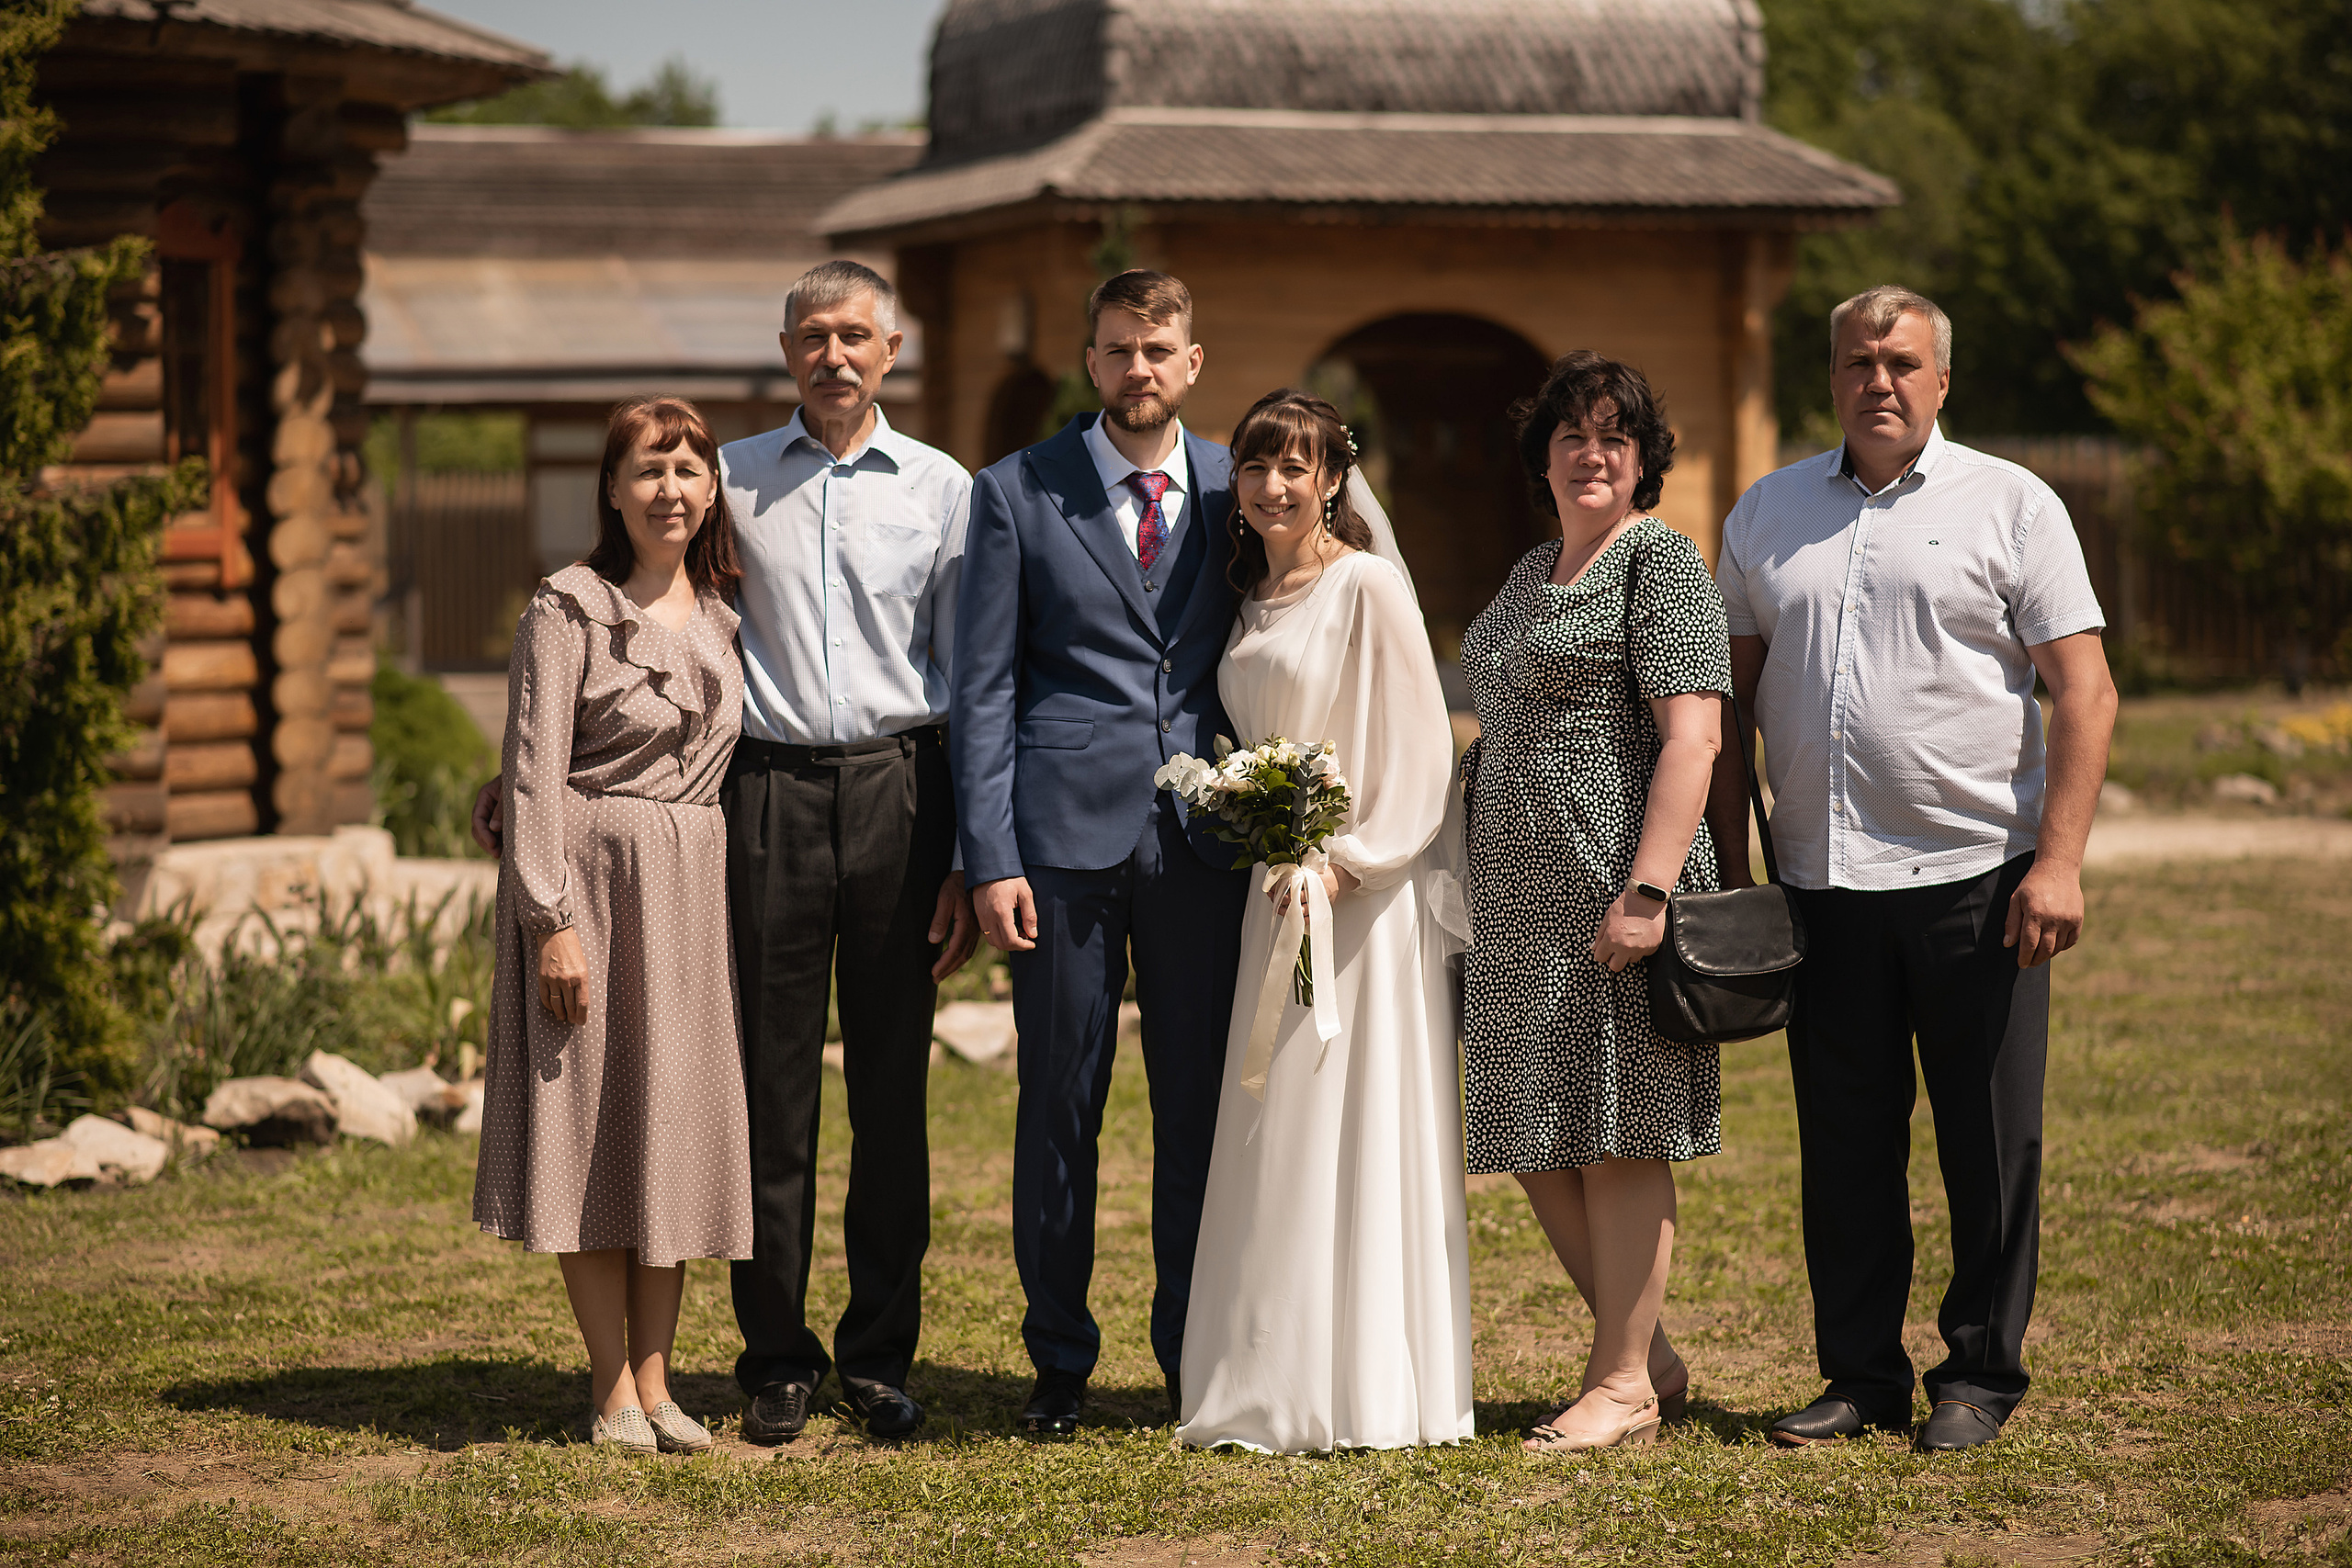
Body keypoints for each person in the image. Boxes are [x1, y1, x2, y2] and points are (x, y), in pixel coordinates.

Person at [474, 261, 977, 1446]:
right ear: (787, 348)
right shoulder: (730, 479)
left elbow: (978, 678)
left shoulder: (947, 489)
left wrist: (971, 848)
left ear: (891, 349)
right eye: (813, 337)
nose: (835, 356)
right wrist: (514, 776)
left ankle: (879, 1355)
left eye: (856, 336)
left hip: (905, 794)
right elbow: (614, 639)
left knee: (894, 1094)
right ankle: (775, 1359)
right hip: (763, 802)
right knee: (767, 1090)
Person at [1708, 286, 2116, 1454]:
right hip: (1819, 884)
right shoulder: (1766, 512)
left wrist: (2061, 863)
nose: (1875, 382)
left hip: (1977, 879)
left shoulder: (2012, 505)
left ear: (1940, 380)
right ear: (1828, 377)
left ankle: (1979, 1375)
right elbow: (1731, 705)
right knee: (1843, 1146)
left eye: (1898, 362)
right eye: (1854, 362)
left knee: (1986, 1144)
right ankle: (1860, 1378)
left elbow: (2082, 689)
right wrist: (1739, 873)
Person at [952, 269, 1247, 1437]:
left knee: (1197, 1112)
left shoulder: (1246, 482)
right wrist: (989, 855)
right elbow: (980, 687)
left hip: (1209, 845)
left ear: (1191, 361)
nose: (1139, 369)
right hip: (1058, 849)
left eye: (1158, 348)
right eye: (1117, 350)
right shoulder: (1016, 492)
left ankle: (1190, 1353)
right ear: (1091, 363)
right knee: (1058, 1105)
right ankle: (1058, 1362)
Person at [1175, 390, 1475, 1454]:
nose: (1273, 486)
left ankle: (1365, 1384)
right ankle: (1270, 1371)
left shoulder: (1368, 586)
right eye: (1256, 468)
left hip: (1359, 903)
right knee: (1275, 1121)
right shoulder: (1248, 594)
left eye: (1295, 467)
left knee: (1351, 1117)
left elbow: (1422, 750)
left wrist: (1346, 863)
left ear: (1335, 478)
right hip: (1276, 894)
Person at [1458, 352, 1730, 1454]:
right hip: (1517, 903)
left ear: (1643, 460)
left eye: (1614, 436)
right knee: (1530, 1129)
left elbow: (1693, 738)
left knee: (1619, 1132)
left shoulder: (1658, 565)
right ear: (1545, 457)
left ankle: (1619, 1384)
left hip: (1614, 891)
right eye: (1571, 435)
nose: (1592, 453)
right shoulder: (1531, 573)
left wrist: (1648, 891)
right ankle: (1648, 1354)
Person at [471, 394, 752, 1457]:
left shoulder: (727, 620)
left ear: (712, 487)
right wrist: (549, 918)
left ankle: (658, 1380)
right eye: (647, 469)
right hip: (587, 884)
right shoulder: (567, 608)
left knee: (668, 1128)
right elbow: (533, 766)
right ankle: (607, 1388)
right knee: (589, 1126)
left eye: (688, 469)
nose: (669, 489)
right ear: (611, 488)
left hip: (688, 886)